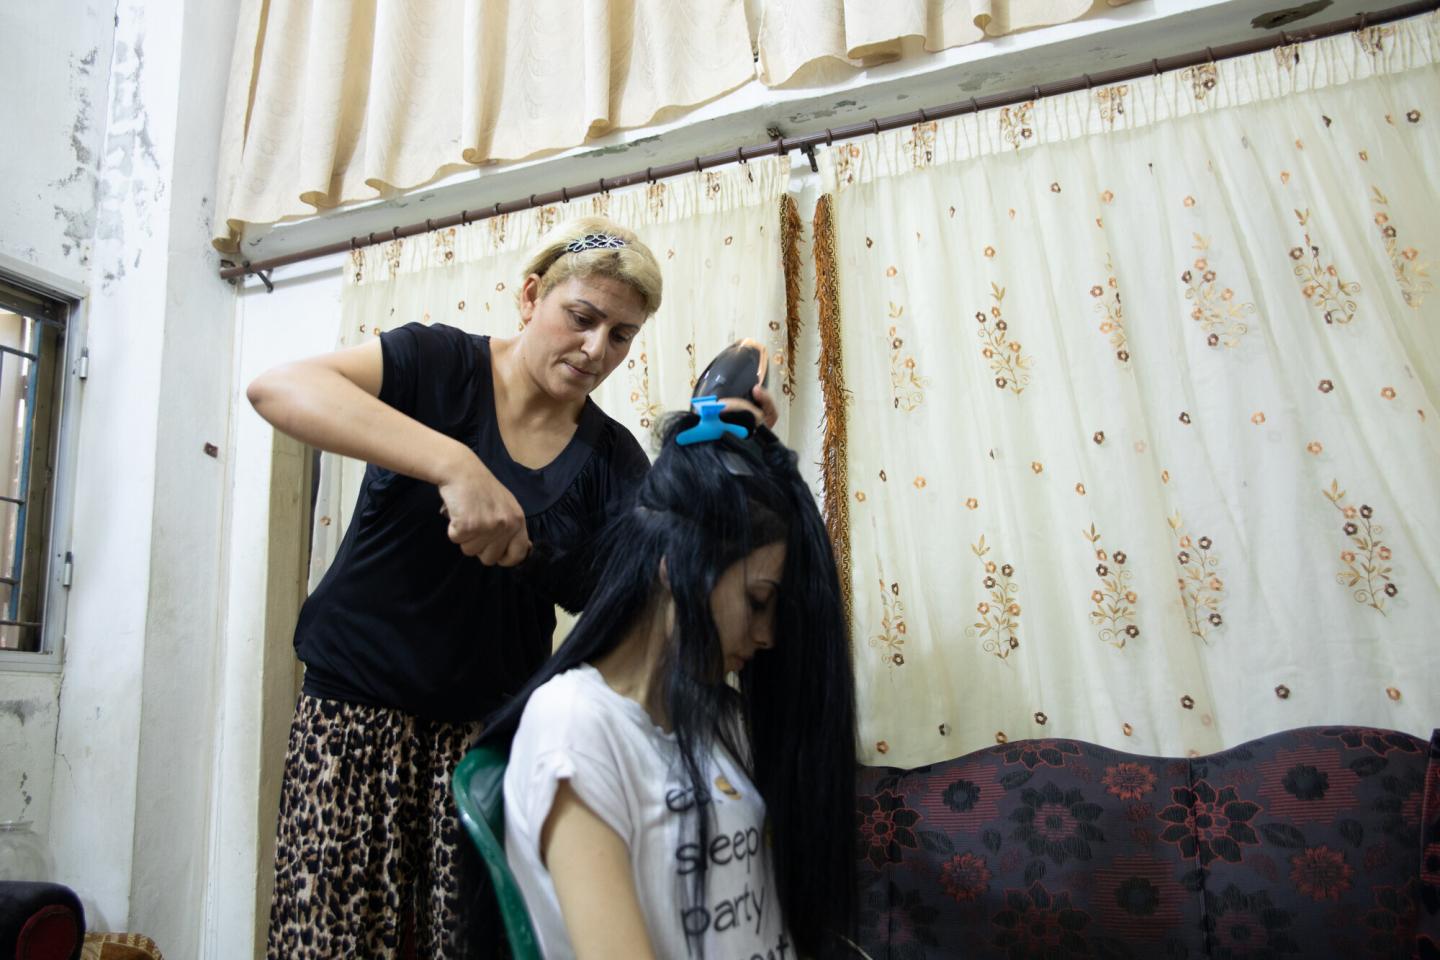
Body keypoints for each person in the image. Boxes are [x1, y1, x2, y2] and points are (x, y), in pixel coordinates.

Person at [246, 215, 775, 959]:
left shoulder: (612, 462)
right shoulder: (437, 365)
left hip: (487, 745)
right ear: (531, 296)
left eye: (621, 335)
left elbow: (664, 570)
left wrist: (728, 438)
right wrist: (454, 466)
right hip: (353, 725)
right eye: (582, 318)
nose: (597, 350)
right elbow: (278, 388)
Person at [476, 414, 858, 959]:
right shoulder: (576, 725)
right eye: (756, 601)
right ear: (675, 564)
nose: (769, 635)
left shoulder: (715, 718)